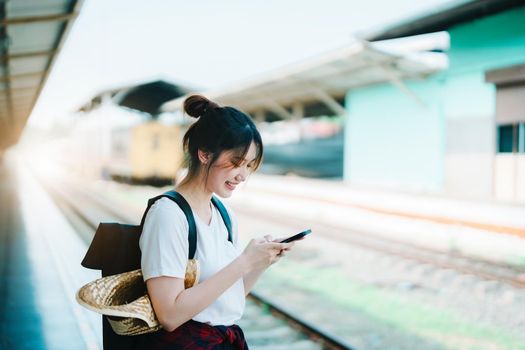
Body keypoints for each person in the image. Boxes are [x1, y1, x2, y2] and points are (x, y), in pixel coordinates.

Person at [138, 95, 294, 349]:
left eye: (249, 165)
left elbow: (225, 299)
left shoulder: (223, 213)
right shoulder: (168, 214)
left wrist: (259, 263)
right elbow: (169, 315)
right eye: (236, 162)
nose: (242, 175)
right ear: (204, 154)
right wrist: (244, 262)